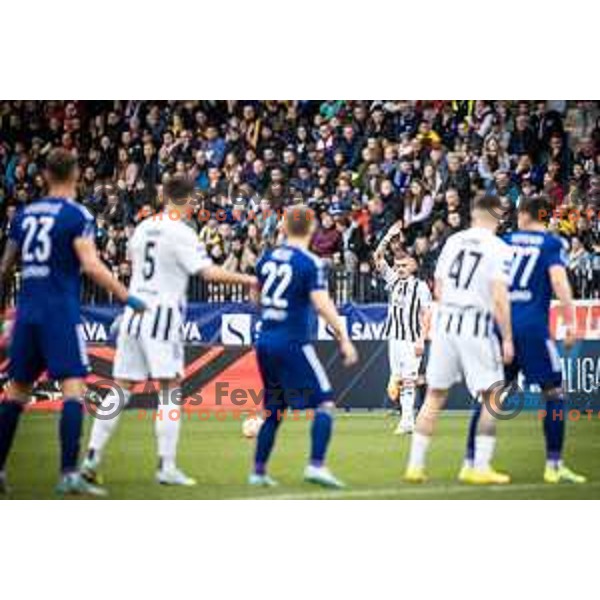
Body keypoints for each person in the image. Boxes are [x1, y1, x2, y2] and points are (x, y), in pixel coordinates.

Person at [80, 175, 258, 487]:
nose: (195, 207)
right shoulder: (182, 231)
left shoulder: (144, 227)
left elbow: (139, 265)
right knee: (170, 390)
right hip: (161, 317)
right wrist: (249, 281)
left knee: (120, 388)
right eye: (195, 202)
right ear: (188, 200)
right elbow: (208, 273)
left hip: (134, 315)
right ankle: (166, 465)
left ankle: (91, 458)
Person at [0, 148, 146, 496]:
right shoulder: (76, 214)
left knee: (16, 392)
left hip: (26, 313)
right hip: (59, 314)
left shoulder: (24, 213)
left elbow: (5, 266)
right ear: (76, 174)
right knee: (73, 390)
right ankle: (68, 473)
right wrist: (128, 297)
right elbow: (92, 266)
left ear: (44, 175)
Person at [461, 196, 586, 484]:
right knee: (554, 393)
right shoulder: (551, 244)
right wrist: (570, 322)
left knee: (490, 395)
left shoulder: (502, 241)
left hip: (499, 327)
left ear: (525, 215)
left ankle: (471, 461)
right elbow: (558, 280)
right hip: (532, 329)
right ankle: (554, 465)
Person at [404, 194, 514, 485]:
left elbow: (438, 287)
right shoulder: (499, 247)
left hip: (445, 323)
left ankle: (415, 466)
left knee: (433, 397)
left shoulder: (453, 241)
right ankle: (480, 465)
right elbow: (500, 297)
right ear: (496, 216)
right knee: (493, 395)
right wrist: (508, 337)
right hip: (474, 324)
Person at [249, 205, 358, 488]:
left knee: (273, 409)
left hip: (265, 340)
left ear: (283, 226)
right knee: (324, 402)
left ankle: (258, 471)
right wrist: (344, 338)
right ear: (312, 228)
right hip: (292, 341)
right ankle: (316, 466)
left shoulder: (267, 258)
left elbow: (255, 296)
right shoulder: (309, 262)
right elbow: (323, 304)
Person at [373, 222, 432, 434]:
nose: (399, 269)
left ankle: (408, 420)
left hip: (411, 338)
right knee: (397, 378)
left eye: (404, 266)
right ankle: (408, 417)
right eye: (397, 266)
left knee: (409, 378)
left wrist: (421, 340)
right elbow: (377, 257)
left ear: (414, 266)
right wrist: (388, 235)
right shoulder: (394, 281)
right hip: (394, 339)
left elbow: (427, 314)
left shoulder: (421, 287)